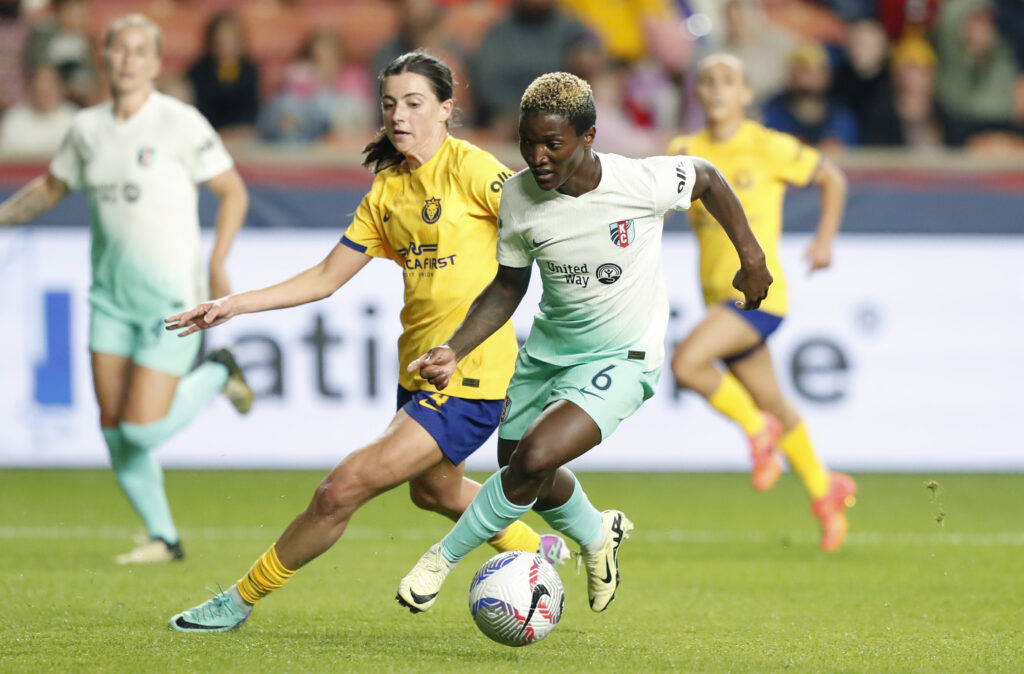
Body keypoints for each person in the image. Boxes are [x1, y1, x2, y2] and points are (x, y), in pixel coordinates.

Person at [164, 51, 568, 633]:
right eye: (388, 104)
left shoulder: (475, 171)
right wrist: (232, 304)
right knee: (434, 491)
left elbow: (546, 221)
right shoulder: (389, 190)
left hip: (470, 376)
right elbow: (326, 278)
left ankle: (237, 600)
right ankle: (537, 546)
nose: (398, 115)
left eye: (413, 103)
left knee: (341, 488)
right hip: (417, 374)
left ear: (447, 109)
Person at [396, 71, 773, 614]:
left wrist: (752, 258)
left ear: (588, 137)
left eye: (553, 143)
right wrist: (455, 348)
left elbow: (709, 178)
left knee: (535, 458)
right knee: (522, 469)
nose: (538, 157)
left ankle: (440, 560)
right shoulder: (520, 200)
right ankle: (598, 535)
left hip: (625, 356)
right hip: (548, 355)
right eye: (529, 142)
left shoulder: (641, 182)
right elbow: (508, 286)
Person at [0, 14, 253, 564]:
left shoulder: (180, 123)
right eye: (119, 49)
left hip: (173, 301)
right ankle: (163, 537)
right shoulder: (86, 129)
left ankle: (218, 372)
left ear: (157, 64)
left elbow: (232, 192)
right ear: (105, 59)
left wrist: (218, 261)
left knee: (139, 432)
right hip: (109, 300)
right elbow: (51, 187)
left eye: (140, 51)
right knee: (114, 430)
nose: (128, 60)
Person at [667, 54, 856, 552]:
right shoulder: (684, 151)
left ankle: (757, 429)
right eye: (707, 80)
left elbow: (831, 178)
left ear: (747, 94)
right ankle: (825, 491)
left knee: (687, 364)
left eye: (728, 80)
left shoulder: (767, 146)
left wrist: (824, 241)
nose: (716, 89)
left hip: (758, 298)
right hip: (716, 302)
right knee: (774, 399)